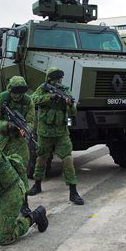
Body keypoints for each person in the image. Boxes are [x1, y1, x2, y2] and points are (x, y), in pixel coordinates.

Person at [28, 67, 84, 205]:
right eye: (54, 79)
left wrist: (70, 104)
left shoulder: (65, 90)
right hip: (45, 131)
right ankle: (37, 184)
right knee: (41, 158)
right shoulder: (43, 88)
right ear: (49, 79)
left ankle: (73, 191)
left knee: (67, 159)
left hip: (61, 132)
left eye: (58, 79)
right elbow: (33, 100)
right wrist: (49, 97)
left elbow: (73, 112)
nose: (57, 81)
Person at [0, 76, 34, 202]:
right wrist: (7, 125)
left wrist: (26, 129)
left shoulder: (28, 101)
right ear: (10, 90)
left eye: (21, 93)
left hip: (18, 140)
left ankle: (23, 201)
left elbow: (30, 121)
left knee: (21, 168)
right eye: (15, 92)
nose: (18, 96)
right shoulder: (2, 99)